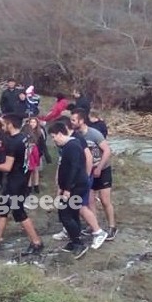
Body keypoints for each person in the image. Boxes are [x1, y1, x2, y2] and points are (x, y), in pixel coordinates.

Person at [0, 113, 44, 256]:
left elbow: (7, 167)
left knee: (19, 212)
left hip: (15, 182)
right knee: (2, 209)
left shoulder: (13, 142)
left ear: (10, 124)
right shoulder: (26, 138)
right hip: (22, 179)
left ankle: (36, 242)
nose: (2, 126)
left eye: (3, 124)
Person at [71, 108, 117, 241]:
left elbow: (107, 151)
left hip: (103, 170)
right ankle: (94, 226)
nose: (72, 122)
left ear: (81, 120)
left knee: (105, 200)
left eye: (74, 120)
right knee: (90, 200)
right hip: (88, 172)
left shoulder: (94, 134)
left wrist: (99, 167)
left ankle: (112, 226)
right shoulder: (75, 135)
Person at [48, 122, 90, 259]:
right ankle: (74, 240)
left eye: (54, 137)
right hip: (72, 186)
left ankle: (78, 243)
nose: (53, 140)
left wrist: (67, 189)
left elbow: (74, 169)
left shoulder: (72, 146)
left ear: (60, 134)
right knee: (72, 214)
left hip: (75, 186)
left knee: (65, 215)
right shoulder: (68, 146)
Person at [22, 117, 47, 194]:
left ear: (37, 124)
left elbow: (42, 144)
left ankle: (36, 185)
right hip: (27, 154)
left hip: (37, 154)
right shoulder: (25, 132)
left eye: (34, 122)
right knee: (29, 170)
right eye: (31, 122)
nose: (32, 124)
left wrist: (39, 154)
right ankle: (28, 186)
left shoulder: (39, 133)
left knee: (36, 170)